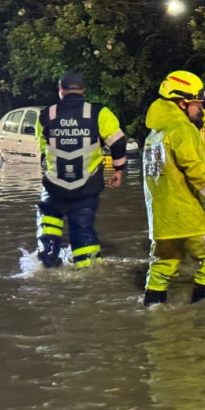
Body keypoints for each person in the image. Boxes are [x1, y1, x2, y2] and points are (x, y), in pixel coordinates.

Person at [142, 70, 205, 306]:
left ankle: (154, 314)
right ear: (182, 103)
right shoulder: (181, 129)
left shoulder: (154, 134)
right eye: (197, 103)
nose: (201, 109)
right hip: (187, 214)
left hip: (161, 219)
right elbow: (194, 170)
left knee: (162, 267)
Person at [35, 71, 127, 268]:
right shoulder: (99, 113)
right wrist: (118, 170)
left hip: (53, 187)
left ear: (61, 90)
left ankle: (48, 264)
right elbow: (118, 142)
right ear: (83, 91)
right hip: (86, 187)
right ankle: (88, 273)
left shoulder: (46, 114)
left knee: (48, 226)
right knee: (83, 231)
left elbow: (42, 149)